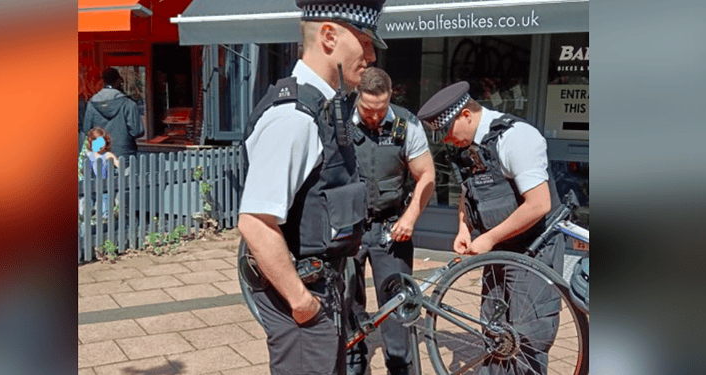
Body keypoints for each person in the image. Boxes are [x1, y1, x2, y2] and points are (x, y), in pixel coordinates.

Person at [236, 1, 386, 374]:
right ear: (329, 36)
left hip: (323, 285)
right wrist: (302, 301)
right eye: (364, 41)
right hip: (304, 297)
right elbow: (255, 222)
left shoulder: (324, 107)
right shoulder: (294, 118)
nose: (370, 55)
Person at [417, 81, 565, 375]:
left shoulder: (516, 138)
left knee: (528, 336)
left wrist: (490, 238)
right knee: (495, 330)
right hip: (497, 250)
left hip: (533, 250)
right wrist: (464, 228)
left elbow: (539, 204)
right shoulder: (470, 146)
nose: (447, 139)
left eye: (448, 131)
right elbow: (468, 191)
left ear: (466, 116)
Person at [345, 67, 435, 375]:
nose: (374, 117)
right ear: (357, 97)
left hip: (390, 228)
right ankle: (353, 359)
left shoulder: (406, 124)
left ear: (391, 96)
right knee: (347, 300)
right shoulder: (340, 120)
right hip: (348, 228)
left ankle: (399, 364)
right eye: (368, 110)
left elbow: (427, 176)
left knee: (397, 301)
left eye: (380, 109)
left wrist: (410, 217)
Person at [82, 67, 144, 163]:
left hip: (100, 155)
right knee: (127, 178)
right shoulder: (128, 104)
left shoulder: (91, 104)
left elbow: (87, 130)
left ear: (103, 81)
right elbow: (137, 131)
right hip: (124, 155)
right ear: (118, 81)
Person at [79, 127, 120, 220]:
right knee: (88, 202)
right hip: (90, 184)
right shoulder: (89, 155)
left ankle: (104, 218)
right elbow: (84, 169)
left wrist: (117, 165)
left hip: (104, 185)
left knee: (105, 202)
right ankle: (87, 216)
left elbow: (118, 164)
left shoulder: (107, 155)